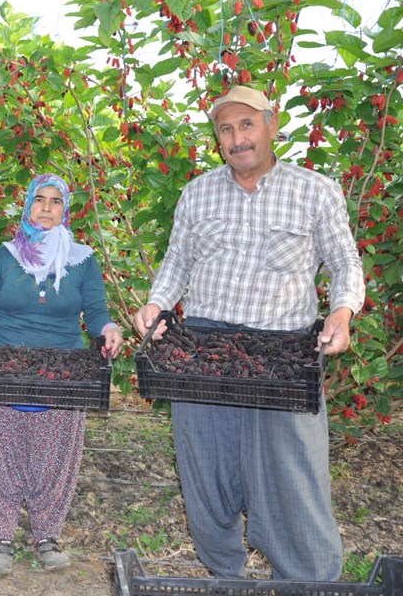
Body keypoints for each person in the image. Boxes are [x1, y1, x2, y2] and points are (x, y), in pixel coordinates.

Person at [131, 85, 365, 580]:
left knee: (294, 477)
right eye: (225, 130)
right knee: (207, 471)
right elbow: (177, 260)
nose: (237, 138)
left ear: (271, 126)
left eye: (246, 125)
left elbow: (345, 262)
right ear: (217, 140)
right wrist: (155, 302)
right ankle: (226, 577)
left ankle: (308, 581)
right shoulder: (198, 192)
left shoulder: (314, 191)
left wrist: (341, 313)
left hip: (283, 353)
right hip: (204, 348)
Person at [0, 173, 124, 575]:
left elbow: (96, 312)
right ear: (27, 206)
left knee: (54, 460)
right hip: (3, 367)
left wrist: (110, 328)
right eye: (39, 200)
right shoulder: (4, 256)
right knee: (1, 455)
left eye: (55, 201)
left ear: (66, 210)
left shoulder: (82, 260)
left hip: (63, 370)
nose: (46, 208)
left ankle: (46, 535)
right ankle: (1, 538)